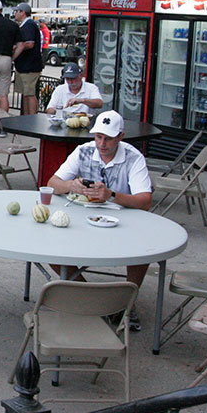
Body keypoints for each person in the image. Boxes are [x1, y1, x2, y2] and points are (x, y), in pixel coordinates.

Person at [47, 110, 152, 328]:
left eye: (108, 138)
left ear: (121, 136)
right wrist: (70, 185)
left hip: (123, 220)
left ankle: (126, 304)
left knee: (144, 251)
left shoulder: (134, 158)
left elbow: (145, 201)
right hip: (83, 216)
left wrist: (111, 195)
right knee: (50, 250)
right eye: (98, 137)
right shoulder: (83, 151)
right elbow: (53, 182)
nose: (102, 144)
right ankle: (94, 299)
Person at [13, 2, 44, 116]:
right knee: (25, 94)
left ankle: (31, 118)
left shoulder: (29, 25)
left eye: (17, 11)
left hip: (30, 66)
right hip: (23, 66)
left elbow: (30, 44)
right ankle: (25, 117)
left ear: (23, 12)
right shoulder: (24, 25)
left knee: (30, 94)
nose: (15, 13)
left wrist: (16, 47)